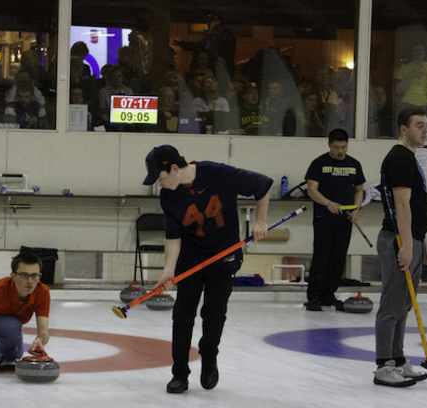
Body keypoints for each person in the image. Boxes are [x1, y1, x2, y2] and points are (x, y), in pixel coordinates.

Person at [142, 145, 271, 394]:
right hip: (190, 261)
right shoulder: (169, 196)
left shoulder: (219, 174)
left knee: (214, 314)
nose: (160, 184)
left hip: (223, 258)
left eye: (161, 177)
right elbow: (173, 236)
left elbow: (263, 185)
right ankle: (179, 373)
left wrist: (260, 221)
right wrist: (168, 270)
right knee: (182, 315)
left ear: (175, 169)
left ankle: (209, 356)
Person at [374, 107, 427, 387]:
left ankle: (397, 360)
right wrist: (408, 245)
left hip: (413, 240)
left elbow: (419, 206)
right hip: (399, 240)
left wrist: (423, 243)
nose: (425, 130)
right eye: (419, 125)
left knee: (403, 305)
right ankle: (384, 365)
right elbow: (401, 206)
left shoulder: (409, 158)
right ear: (403, 129)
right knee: (392, 304)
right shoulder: (399, 158)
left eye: (426, 125)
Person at [303, 129, 366, 312]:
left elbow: (359, 190)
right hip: (324, 217)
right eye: (336, 147)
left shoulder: (354, 164)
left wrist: (356, 209)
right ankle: (314, 296)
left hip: (345, 219)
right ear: (329, 145)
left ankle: (329, 295)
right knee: (321, 257)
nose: (340, 151)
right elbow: (312, 190)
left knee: (338, 259)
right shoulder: (319, 163)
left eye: (344, 147)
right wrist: (328, 203)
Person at [395, 44, 427, 130]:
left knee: (425, 130)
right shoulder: (405, 68)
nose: (418, 53)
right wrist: (411, 76)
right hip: (408, 103)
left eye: (420, 50)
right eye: (416, 50)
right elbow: (398, 89)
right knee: (409, 130)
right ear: (412, 53)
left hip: (426, 105)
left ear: (424, 53)